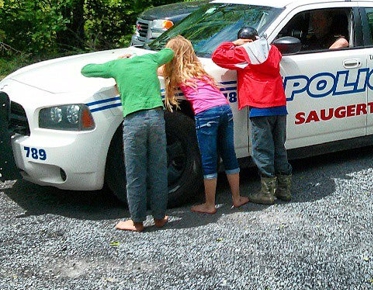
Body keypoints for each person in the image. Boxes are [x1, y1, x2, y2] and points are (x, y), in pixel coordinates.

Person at [81, 48, 174, 232]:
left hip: (133, 120)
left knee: (135, 171)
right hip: (155, 117)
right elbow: (170, 52)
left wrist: (118, 59)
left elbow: (86, 69)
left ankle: (137, 221)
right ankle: (159, 217)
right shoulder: (150, 59)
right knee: (158, 168)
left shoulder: (117, 65)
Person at [162, 35, 249, 214]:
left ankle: (210, 205)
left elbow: (154, 68)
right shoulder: (199, 69)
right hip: (224, 109)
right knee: (229, 154)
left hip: (206, 113)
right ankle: (237, 198)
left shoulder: (175, 71)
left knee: (209, 160)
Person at [211, 27, 293, 205]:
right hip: (278, 104)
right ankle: (284, 189)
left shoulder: (244, 53)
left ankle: (267, 192)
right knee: (279, 147)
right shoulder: (273, 50)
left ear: (243, 40)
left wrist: (234, 44)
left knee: (262, 149)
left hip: (259, 106)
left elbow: (217, 55)